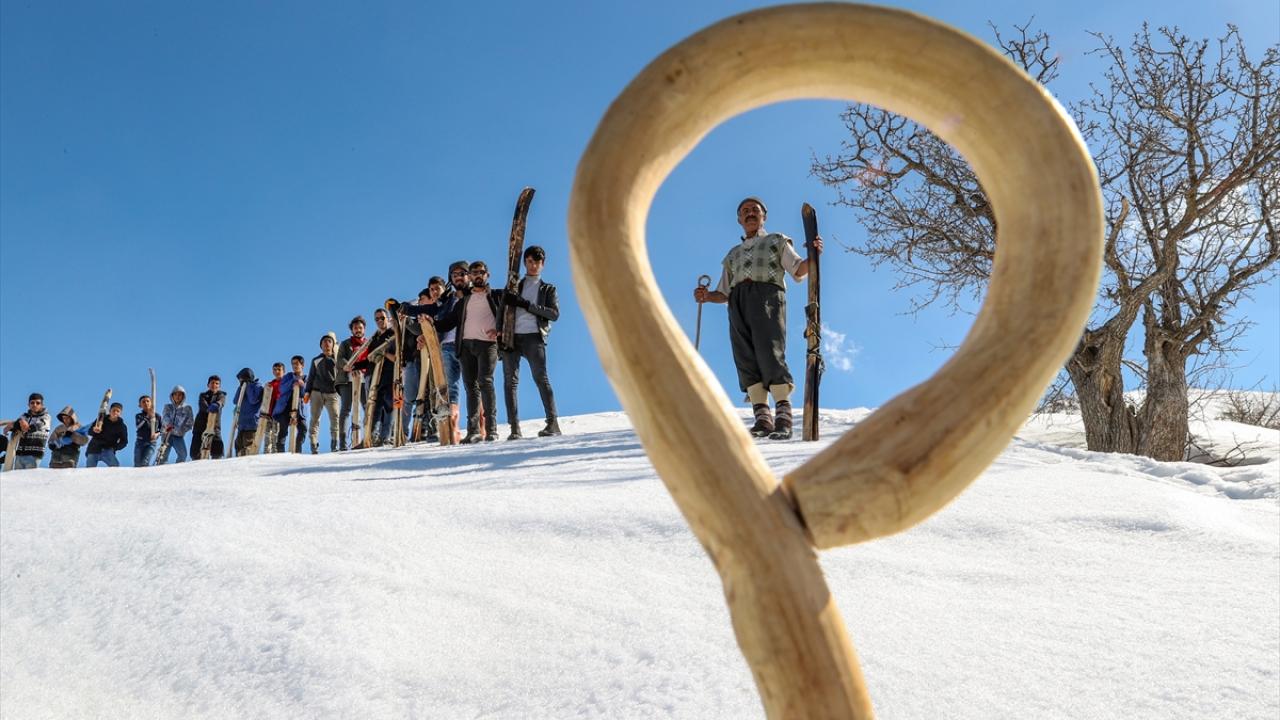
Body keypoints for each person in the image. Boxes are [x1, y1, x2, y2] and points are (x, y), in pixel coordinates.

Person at [693, 197, 822, 440]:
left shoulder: (777, 240)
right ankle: (762, 419)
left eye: (755, 210)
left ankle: (783, 417)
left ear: (764, 216)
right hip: (737, 301)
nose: (750, 214)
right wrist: (706, 296)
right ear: (739, 220)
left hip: (767, 296)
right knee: (745, 355)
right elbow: (723, 291)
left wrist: (813, 255)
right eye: (745, 211)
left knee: (769, 350)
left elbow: (798, 269)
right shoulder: (732, 255)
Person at [433, 260, 502, 443]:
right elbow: (447, 322)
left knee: (485, 383)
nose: (477, 275)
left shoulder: (495, 295)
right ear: (470, 277)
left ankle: (491, 429)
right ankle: (473, 431)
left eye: (480, 272)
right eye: (474, 272)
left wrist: (501, 329)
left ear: (487, 274)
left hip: (487, 345)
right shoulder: (463, 301)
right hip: (465, 347)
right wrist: (427, 323)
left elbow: (508, 310)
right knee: (470, 387)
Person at [500, 245, 561, 439]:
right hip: (511, 337)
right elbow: (502, 308)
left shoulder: (548, 288)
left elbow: (553, 314)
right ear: (525, 262)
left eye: (537, 262)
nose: (533, 265)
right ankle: (514, 428)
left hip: (534, 337)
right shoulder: (514, 285)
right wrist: (499, 331)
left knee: (541, 379)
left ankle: (553, 423)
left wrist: (526, 305)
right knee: (510, 382)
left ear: (542, 264)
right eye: (529, 261)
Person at [304, 334, 340, 453]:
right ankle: (313, 444)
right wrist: (307, 392)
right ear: (321, 345)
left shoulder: (337, 359)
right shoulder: (316, 360)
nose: (326, 343)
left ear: (333, 344)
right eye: (324, 341)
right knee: (315, 419)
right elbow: (311, 377)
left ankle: (334, 444)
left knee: (335, 418)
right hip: (316, 392)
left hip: (332, 393)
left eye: (329, 341)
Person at [335, 316, 367, 451]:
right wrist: (347, 366)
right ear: (352, 330)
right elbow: (340, 359)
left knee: (367, 407)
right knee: (346, 410)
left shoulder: (368, 343)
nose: (358, 330)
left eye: (360, 328)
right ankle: (343, 442)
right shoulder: (345, 343)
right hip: (347, 381)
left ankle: (368, 437)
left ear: (364, 329)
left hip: (364, 380)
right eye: (355, 328)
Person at [5, 393, 52, 470]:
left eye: (38, 403)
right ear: (28, 404)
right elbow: (15, 427)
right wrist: (11, 426)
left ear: (42, 405)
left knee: (30, 480)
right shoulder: (24, 416)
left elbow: (31, 428)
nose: (35, 405)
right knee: (16, 480)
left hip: (34, 455)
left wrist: (19, 424)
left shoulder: (46, 417)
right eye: (32, 402)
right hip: (20, 454)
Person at [272, 356, 308, 453]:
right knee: (283, 429)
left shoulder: (306, 378)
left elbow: (305, 394)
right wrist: (294, 381)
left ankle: (297, 450)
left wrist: (302, 385)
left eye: (297, 363)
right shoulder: (288, 376)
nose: (294, 366)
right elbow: (282, 389)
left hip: (299, 408)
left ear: (302, 365)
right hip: (285, 407)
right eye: (293, 364)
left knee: (303, 428)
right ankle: (280, 451)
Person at [192, 376, 227, 459]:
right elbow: (202, 405)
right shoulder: (203, 395)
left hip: (215, 426)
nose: (214, 385)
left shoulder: (221, 395)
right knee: (195, 451)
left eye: (217, 383)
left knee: (218, 450)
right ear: (208, 385)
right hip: (200, 426)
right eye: (212, 383)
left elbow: (221, 402)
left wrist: (217, 404)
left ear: (219, 386)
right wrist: (209, 409)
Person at [232, 367, 265, 456]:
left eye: (241, 379)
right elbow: (235, 401)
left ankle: (247, 466)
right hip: (242, 423)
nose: (240, 381)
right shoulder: (242, 387)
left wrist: (248, 385)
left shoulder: (257, 386)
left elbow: (253, 399)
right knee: (238, 445)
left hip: (251, 423)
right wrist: (241, 387)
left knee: (248, 446)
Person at [158, 386, 194, 464]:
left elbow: (190, 422)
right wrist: (168, 425)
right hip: (167, 434)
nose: (177, 397)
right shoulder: (168, 407)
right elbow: (165, 417)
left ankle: (178, 469)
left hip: (178, 435)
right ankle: (160, 469)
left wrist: (181, 430)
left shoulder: (187, 408)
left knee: (183, 454)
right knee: (163, 455)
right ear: (172, 396)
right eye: (175, 394)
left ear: (183, 396)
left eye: (180, 395)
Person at [86, 402, 128, 467]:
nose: (115, 412)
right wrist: (94, 430)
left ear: (121, 413)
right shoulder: (101, 419)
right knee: (89, 470)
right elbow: (90, 432)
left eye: (118, 411)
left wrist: (114, 448)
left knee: (115, 468)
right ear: (110, 411)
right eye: (114, 410)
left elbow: (124, 441)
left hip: (108, 450)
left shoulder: (122, 426)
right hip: (94, 448)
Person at [134, 394, 162, 466]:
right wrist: (147, 416)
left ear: (151, 403)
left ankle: (145, 476)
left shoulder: (157, 416)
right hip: (140, 442)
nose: (146, 403)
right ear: (140, 405)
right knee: (137, 463)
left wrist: (157, 434)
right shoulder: (139, 416)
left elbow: (162, 429)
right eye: (143, 402)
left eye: (147, 401)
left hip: (151, 442)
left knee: (145, 462)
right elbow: (138, 426)